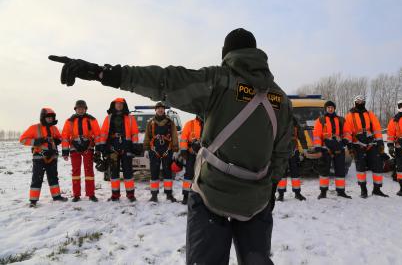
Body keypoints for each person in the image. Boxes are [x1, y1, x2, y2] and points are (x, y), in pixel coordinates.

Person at [49, 28, 292, 265]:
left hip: (211, 195)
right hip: (257, 200)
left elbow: (163, 80)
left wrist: (102, 73)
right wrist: (268, 188)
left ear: (227, 54)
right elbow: (282, 152)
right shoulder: (281, 99)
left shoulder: (219, 81)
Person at [19, 108, 68, 207]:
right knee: (37, 178)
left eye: (52, 117)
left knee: (53, 177)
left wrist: (57, 140)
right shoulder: (34, 128)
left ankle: (57, 196)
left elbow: (59, 138)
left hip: (52, 157)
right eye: (48, 117)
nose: (50, 119)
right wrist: (37, 141)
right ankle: (33, 201)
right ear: (43, 118)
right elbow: (22, 140)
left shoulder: (54, 128)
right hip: (39, 157)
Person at [344, 95, 388, 198]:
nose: (360, 103)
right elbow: (347, 132)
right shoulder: (350, 116)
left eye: (362, 101)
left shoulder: (370, 114)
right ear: (354, 102)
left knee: (377, 166)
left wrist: (380, 142)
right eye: (358, 101)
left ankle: (377, 189)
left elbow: (377, 128)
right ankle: (363, 190)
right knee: (360, 168)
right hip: (357, 145)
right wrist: (349, 145)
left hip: (371, 144)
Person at [98, 98, 139, 202]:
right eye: (117, 104)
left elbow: (134, 133)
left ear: (124, 105)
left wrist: (135, 145)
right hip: (112, 147)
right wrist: (102, 146)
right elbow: (103, 133)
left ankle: (130, 195)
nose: (119, 105)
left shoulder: (130, 118)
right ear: (114, 105)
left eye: (121, 104)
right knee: (114, 172)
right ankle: (115, 195)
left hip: (126, 146)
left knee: (128, 172)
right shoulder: (108, 118)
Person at [62, 100, 101, 202]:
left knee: (89, 171)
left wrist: (98, 150)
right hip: (74, 148)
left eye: (82, 108)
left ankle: (91, 194)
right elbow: (65, 137)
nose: (80, 110)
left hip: (88, 148)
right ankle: (76, 195)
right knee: (75, 171)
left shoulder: (92, 120)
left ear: (85, 109)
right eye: (78, 108)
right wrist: (65, 152)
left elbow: (97, 135)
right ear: (75, 109)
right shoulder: (69, 121)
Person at [313, 101, 352, 199]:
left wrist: (345, 141)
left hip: (339, 148)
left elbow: (347, 132)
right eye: (328, 107)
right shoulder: (320, 120)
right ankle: (323, 192)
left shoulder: (341, 120)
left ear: (334, 109)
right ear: (325, 109)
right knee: (324, 171)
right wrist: (318, 147)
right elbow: (317, 134)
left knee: (340, 171)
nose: (330, 109)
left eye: (332, 107)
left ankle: (341, 191)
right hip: (326, 149)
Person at [143, 101, 179, 203]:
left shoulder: (170, 122)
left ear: (164, 110)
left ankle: (169, 194)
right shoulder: (151, 122)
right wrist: (146, 149)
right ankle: (154, 195)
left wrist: (176, 150)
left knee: (168, 173)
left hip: (167, 150)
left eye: (162, 108)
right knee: (154, 173)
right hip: (154, 150)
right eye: (158, 108)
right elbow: (147, 136)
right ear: (156, 110)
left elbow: (175, 136)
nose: (160, 110)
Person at [276, 116, 307, 201]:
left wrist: (305, 148)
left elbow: (301, 136)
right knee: (282, 173)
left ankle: (297, 193)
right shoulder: (279, 120)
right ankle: (281, 194)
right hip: (282, 151)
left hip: (294, 151)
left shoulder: (295, 122)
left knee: (295, 173)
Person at [180, 116, 203, 205]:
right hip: (191, 153)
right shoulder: (190, 124)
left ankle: (201, 196)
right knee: (189, 174)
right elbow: (184, 138)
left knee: (203, 175)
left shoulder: (209, 123)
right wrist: (183, 150)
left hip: (205, 154)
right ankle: (186, 196)